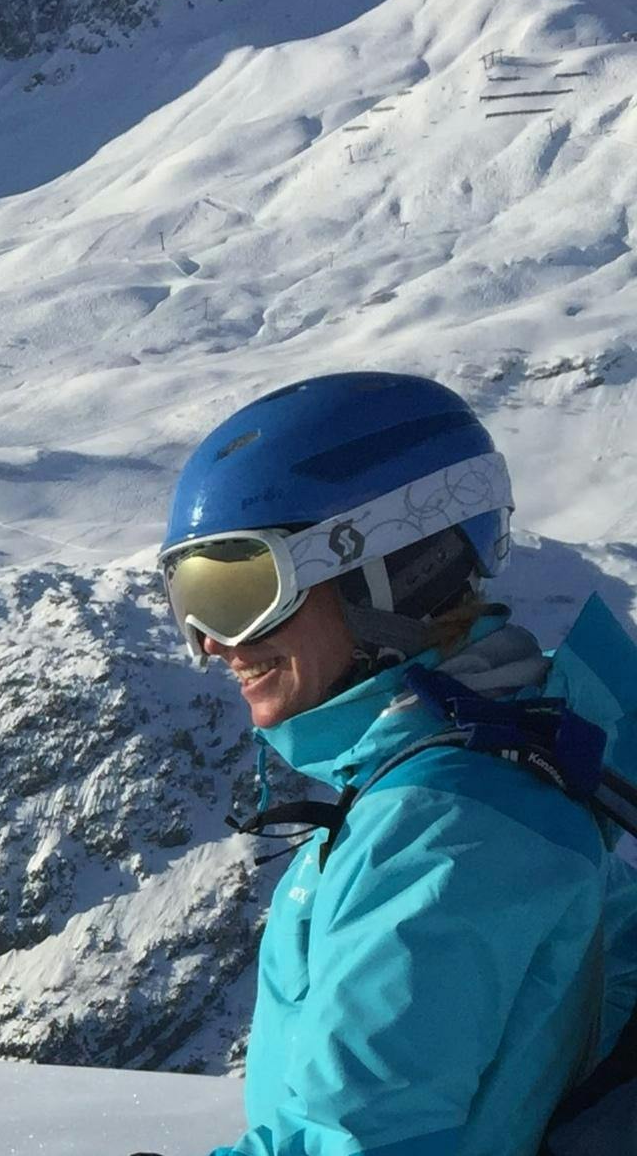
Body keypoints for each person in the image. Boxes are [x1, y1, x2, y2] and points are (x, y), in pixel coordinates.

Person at [158, 371, 637, 1155]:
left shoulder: (439, 832)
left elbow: (364, 1140)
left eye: (240, 587)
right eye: (188, 595)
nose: (210, 640)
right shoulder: (510, 770)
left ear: (391, 570)